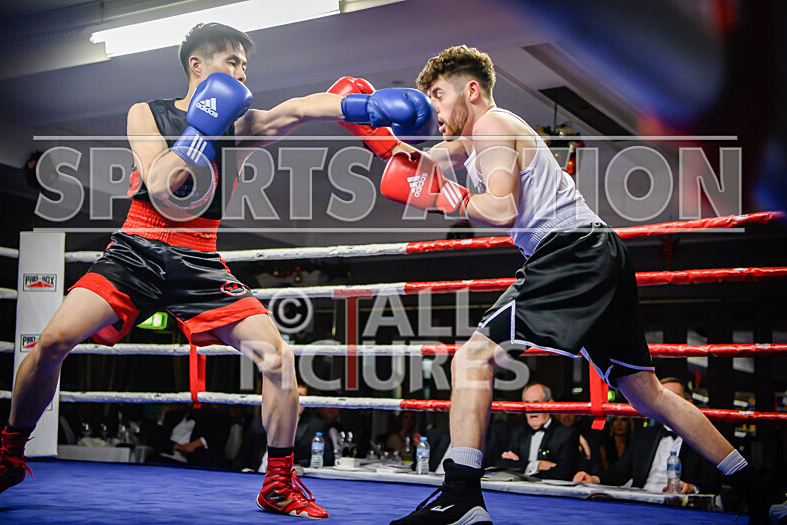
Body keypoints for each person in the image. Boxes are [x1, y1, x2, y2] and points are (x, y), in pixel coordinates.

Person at [0, 22, 435, 519]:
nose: (242, 72)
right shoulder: (147, 112)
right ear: (197, 66)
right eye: (232, 62)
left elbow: (302, 107)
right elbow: (162, 186)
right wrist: (202, 131)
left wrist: (364, 108)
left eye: (246, 64)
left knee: (278, 360)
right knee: (50, 343)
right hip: (138, 247)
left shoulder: (243, 125)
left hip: (199, 258)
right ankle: (8, 458)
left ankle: (279, 484)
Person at [332, 45, 786, 524]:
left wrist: (455, 199)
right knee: (647, 394)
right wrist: (377, 135)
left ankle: (461, 497)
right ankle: (761, 492)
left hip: (568, 252)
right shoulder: (482, 137)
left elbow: (501, 209)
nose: (433, 109)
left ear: (472, 89)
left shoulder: (490, 125)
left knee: (472, 358)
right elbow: (427, 158)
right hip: (596, 252)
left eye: (439, 96)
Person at [573, 378, 722, 495]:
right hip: (643, 500)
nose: (668, 403)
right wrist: (594, 479)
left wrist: (690, 488)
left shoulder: (703, 438)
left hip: (681, 504)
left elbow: (712, 483)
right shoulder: (645, 436)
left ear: (689, 403)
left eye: (674, 397)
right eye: (663, 398)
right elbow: (621, 470)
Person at [493, 384, 579, 481]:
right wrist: (537, 465)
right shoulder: (516, 433)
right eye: (527, 404)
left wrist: (520, 466)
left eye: (536, 403)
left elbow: (564, 473)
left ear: (550, 405)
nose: (531, 409)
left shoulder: (566, 434)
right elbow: (501, 465)